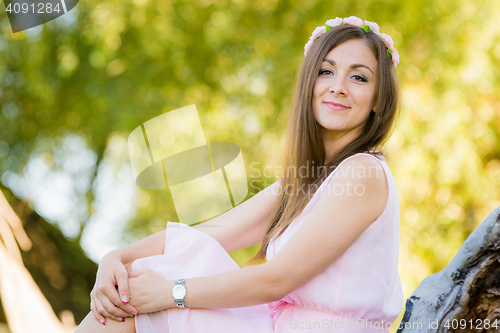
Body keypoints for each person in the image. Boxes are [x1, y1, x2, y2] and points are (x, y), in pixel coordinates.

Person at [75, 15, 404, 333]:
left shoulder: (363, 172)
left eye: (358, 77)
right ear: (309, 83)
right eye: (326, 71)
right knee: (134, 287)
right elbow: (207, 234)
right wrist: (117, 257)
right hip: (273, 326)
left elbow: (277, 279)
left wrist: (171, 293)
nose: (338, 87)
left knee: (142, 302)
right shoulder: (305, 184)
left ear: (378, 98)